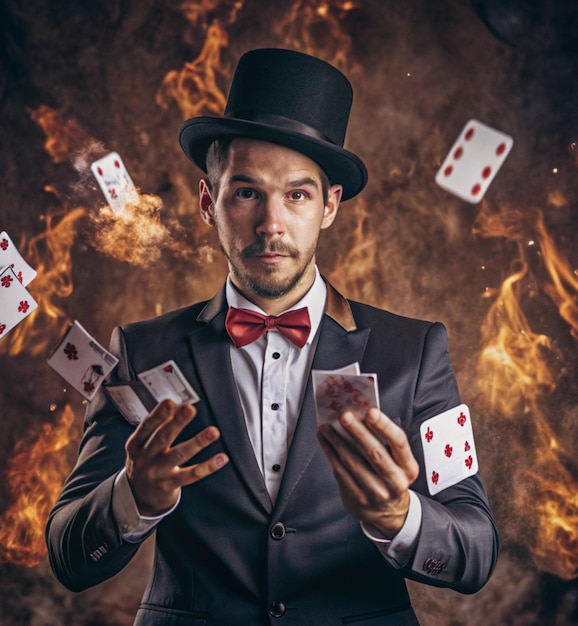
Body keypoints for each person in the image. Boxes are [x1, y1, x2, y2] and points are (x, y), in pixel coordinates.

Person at [46, 48, 498, 625]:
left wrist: (399, 517)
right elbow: (68, 554)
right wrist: (132, 497)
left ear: (330, 206)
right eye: (246, 192)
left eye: (297, 194)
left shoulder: (413, 351)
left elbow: (477, 548)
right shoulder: (140, 352)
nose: (271, 225)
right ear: (209, 202)